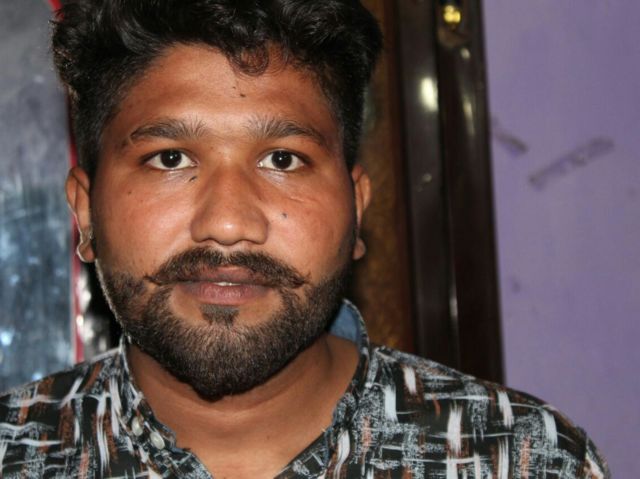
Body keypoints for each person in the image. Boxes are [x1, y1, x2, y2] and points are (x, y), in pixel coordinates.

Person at [0, 1, 609, 477]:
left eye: (283, 159)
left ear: (357, 210)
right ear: (85, 212)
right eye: (170, 158)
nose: (229, 223)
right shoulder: (15, 454)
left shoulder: (518, 458)